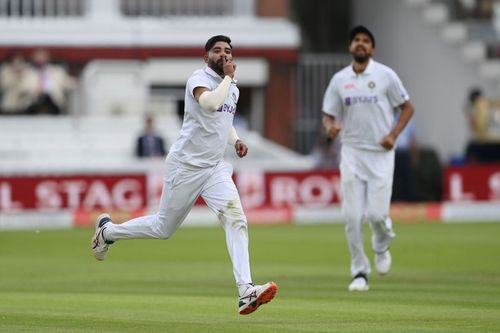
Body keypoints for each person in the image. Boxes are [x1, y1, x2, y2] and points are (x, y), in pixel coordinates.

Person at [91, 35, 277, 315]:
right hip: (185, 166)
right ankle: (108, 232)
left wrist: (235, 139)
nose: (223, 55)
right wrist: (228, 79)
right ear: (206, 58)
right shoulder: (197, 79)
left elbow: (223, 121)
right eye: (217, 51)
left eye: (228, 51)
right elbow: (210, 105)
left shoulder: (232, 88)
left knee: (236, 219)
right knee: (163, 229)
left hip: (214, 168)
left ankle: (245, 290)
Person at [322, 26, 414, 291]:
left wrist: (394, 135)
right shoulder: (340, 79)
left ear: (372, 49)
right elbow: (328, 114)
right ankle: (359, 272)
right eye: (356, 41)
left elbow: (408, 107)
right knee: (351, 217)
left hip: (380, 154)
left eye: (365, 41)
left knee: (375, 215)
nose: (360, 44)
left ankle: (381, 245)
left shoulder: (385, 75)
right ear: (350, 47)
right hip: (351, 151)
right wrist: (330, 127)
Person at [25, 48, 76, 115]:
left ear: (47, 57)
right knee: (38, 100)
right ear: (33, 58)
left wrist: (78, 81)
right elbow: (23, 87)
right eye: (38, 56)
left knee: (49, 97)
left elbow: (69, 82)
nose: (40, 59)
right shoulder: (27, 72)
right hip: (34, 101)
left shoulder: (57, 71)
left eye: (42, 56)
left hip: (54, 102)